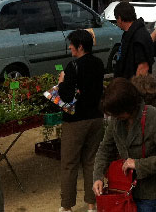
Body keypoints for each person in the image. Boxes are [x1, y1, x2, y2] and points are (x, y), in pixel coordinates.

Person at [93, 78, 156, 212]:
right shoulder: (117, 120)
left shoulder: (155, 118)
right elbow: (105, 149)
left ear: (129, 106)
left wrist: (138, 164)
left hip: (151, 194)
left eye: (117, 114)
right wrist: (98, 177)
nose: (114, 117)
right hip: (124, 191)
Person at [57, 29, 106, 212]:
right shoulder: (99, 63)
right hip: (96, 118)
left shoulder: (73, 66)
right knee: (91, 161)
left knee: (69, 163)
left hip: (75, 120)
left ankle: (67, 205)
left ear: (80, 46)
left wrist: (62, 82)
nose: (70, 47)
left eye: (72, 44)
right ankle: (92, 204)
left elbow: (66, 96)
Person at [112, 1, 154, 79]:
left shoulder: (139, 36)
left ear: (120, 19)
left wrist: (135, 88)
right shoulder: (130, 33)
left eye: (116, 19)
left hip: (133, 86)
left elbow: (143, 66)